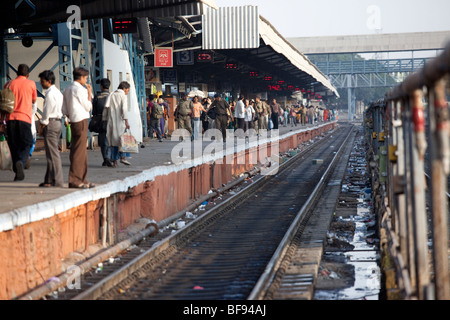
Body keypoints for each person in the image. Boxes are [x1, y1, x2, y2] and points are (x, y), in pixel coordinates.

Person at [62, 67, 94, 188]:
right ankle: (75, 180)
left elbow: (64, 108)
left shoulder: (67, 89)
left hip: (72, 120)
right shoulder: (79, 89)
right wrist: (89, 94)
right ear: (81, 77)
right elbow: (87, 106)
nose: (86, 80)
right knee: (79, 152)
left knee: (78, 150)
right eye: (85, 78)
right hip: (81, 120)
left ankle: (83, 179)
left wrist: (68, 117)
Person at [5, 64, 37, 181]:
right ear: (27, 74)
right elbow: (34, 100)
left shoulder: (9, 84)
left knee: (13, 144)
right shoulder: (31, 84)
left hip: (10, 119)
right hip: (24, 118)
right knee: (27, 143)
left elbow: (4, 101)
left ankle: (16, 166)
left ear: (16, 73)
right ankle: (20, 162)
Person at [37, 70, 64, 188]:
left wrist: (42, 123)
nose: (41, 83)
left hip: (51, 123)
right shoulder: (58, 92)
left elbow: (47, 110)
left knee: (53, 154)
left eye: (42, 81)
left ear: (49, 81)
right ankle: (48, 179)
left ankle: (58, 181)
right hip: (58, 122)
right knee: (51, 152)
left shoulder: (49, 93)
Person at [103, 81, 131, 167]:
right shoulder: (123, 96)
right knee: (122, 140)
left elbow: (106, 108)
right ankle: (123, 157)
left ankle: (114, 161)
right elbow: (124, 109)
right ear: (124, 89)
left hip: (110, 121)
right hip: (120, 121)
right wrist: (126, 121)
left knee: (112, 142)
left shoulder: (111, 94)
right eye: (127, 90)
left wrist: (104, 119)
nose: (127, 92)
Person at [92, 78, 112, 167]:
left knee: (103, 140)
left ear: (101, 86)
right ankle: (109, 157)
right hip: (111, 120)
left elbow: (94, 111)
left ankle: (105, 158)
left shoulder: (97, 96)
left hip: (101, 120)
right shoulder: (112, 96)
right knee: (110, 140)